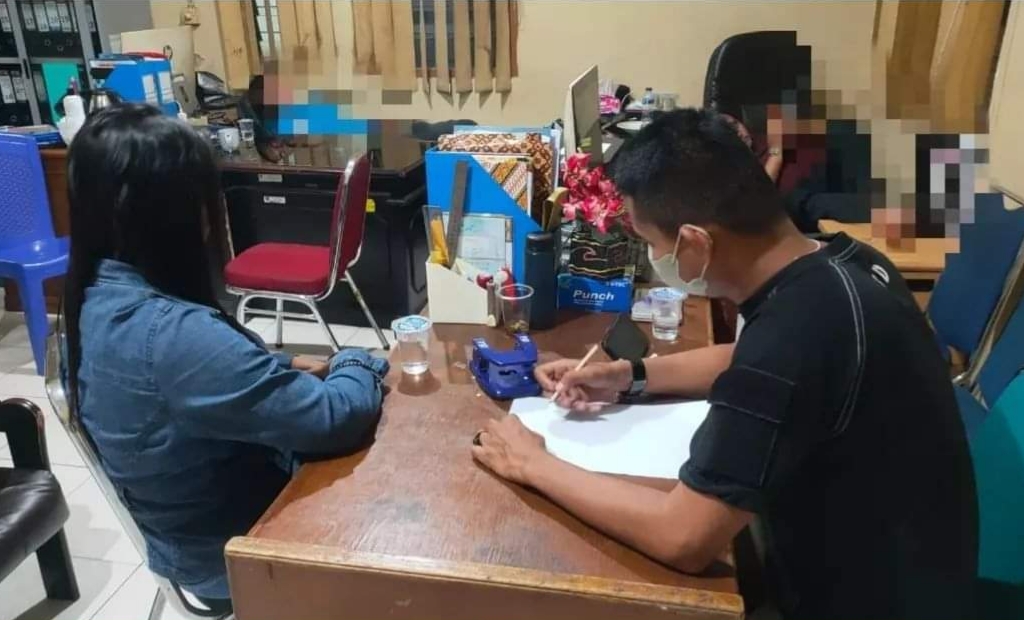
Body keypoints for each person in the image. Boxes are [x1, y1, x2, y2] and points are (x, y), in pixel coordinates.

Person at [471, 109, 977, 620]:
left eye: (652, 244)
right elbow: (747, 356)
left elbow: (682, 536)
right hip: (922, 560)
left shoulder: (794, 333)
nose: (655, 256)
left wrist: (533, 464)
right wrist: (628, 376)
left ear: (695, 243)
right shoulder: (842, 264)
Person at [62, 104, 389, 610]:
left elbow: (203, 379)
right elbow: (333, 417)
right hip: (234, 555)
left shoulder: (93, 301)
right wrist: (357, 360)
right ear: (170, 213)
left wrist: (278, 365)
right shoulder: (173, 336)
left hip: (188, 538)